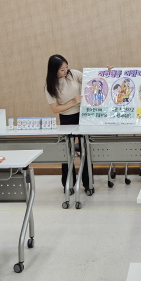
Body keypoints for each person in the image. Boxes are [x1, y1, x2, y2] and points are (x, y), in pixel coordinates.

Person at [45, 54, 88, 191]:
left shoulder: (73, 74)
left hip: (82, 116)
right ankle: (68, 184)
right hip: (66, 118)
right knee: (67, 152)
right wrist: (73, 103)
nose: (65, 71)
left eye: (66, 67)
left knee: (85, 149)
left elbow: (92, 79)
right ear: (54, 70)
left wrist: (107, 73)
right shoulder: (50, 86)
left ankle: (88, 183)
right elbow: (55, 108)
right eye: (62, 69)